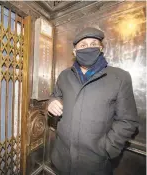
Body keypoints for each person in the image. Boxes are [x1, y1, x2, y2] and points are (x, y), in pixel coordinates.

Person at [48, 27, 139, 175]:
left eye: (93, 43)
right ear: (74, 52)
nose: (88, 47)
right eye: (83, 45)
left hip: (95, 165)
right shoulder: (64, 76)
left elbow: (128, 121)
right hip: (62, 159)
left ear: (101, 48)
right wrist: (52, 102)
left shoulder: (119, 77)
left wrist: (107, 149)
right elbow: (56, 95)